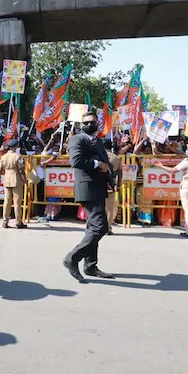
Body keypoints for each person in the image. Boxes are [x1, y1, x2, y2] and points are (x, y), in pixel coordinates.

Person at [63, 112, 115, 282]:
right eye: (87, 122)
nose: (91, 124)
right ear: (81, 124)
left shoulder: (98, 141)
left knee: (92, 228)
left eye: (94, 122)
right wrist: (97, 164)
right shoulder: (77, 139)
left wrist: (109, 177)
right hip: (87, 187)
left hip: (99, 188)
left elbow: (106, 161)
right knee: (100, 227)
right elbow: (76, 161)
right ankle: (72, 258)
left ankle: (90, 265)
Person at [0, 139, 28, 228]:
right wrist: (25, 180)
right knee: (17, 202)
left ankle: (5, 221)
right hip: (16, 179)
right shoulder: (18, 157)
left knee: (7, 202)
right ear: (15, 147)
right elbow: (21, 171)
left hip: (7, 179)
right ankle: (18, 222)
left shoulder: (4, 157)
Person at [104, 139, 122, 235]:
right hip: (111, 184)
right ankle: (108, 228)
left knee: (98, 206)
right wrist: (118, 184)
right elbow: (120, 173)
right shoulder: (116, 158)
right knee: (109, 208)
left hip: (98, 184)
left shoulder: (98, 156)